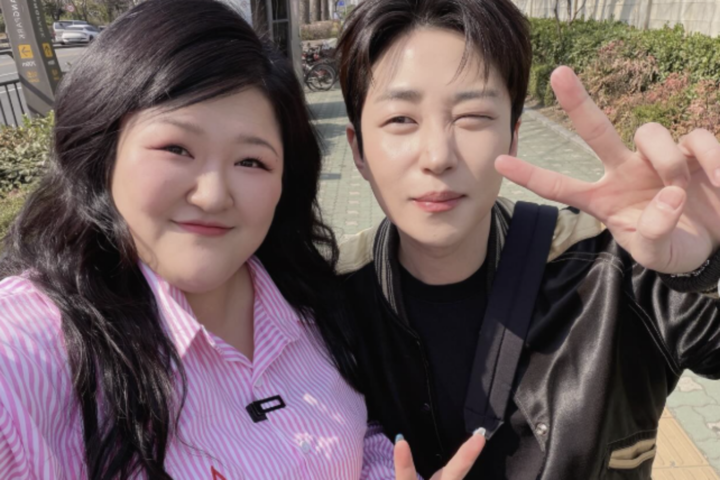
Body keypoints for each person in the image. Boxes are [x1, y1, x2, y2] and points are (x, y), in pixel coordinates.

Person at [0, 0, 413, 478]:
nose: (214, 195)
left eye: (251, 162)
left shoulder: (308, 300)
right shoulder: (34, 348)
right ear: (103, 150)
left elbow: (358, 435)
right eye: (177, 148)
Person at [335, 0, 720, 479]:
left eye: (472, 116)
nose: (437, 156)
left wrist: (705, 264)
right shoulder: (321, 305)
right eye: (400, 120)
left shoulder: (615, 270)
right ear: (358, 149)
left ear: (513, 136)